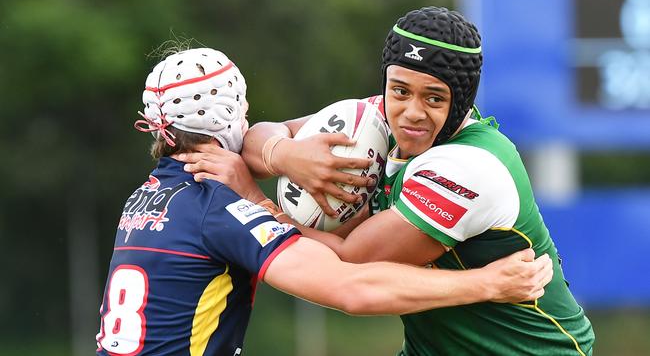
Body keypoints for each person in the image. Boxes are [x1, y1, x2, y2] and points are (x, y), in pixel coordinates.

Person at [182, 7, 595, 355]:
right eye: (400, 90)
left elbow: (352, 261)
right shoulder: (377, 116)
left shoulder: (469, 167)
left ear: (462, 101)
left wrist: (254, 200)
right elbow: (262, 136)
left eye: (434, 98)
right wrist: (287, 155)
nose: (411, 112)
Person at [96, 47, 553, 356]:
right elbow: (353, 287)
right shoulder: (222, 207)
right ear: (233, 115)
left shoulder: (144, 197)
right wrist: (488, 284)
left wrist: (283, 156)